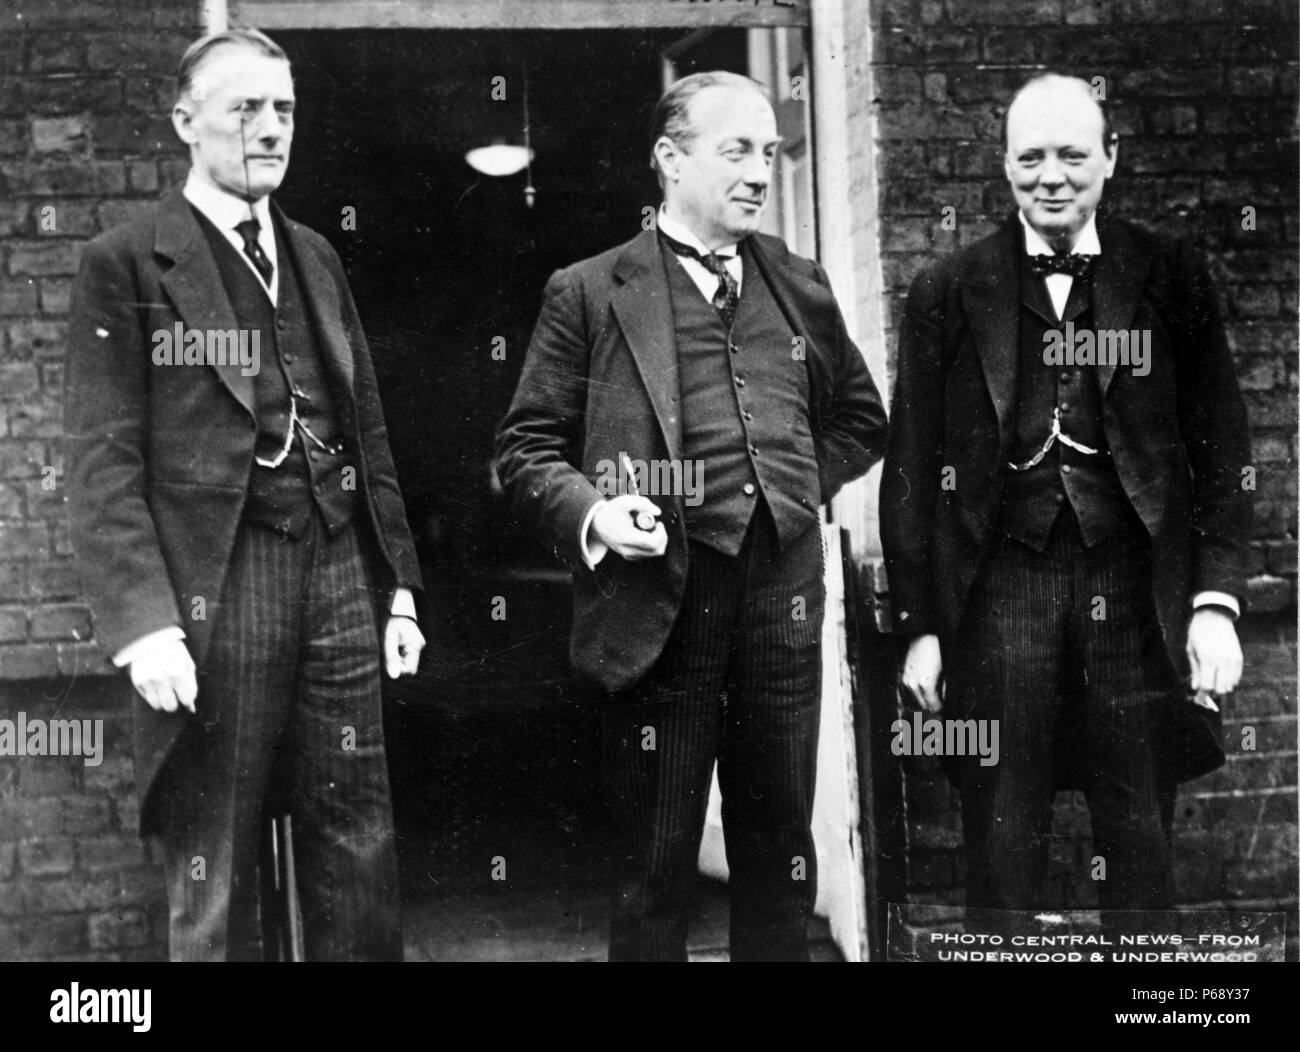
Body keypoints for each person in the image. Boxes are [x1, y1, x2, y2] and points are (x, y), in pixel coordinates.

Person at [495, 71, 887, 961]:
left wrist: (788, 489)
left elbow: (864, 419)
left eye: (769, 152)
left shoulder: (798, 283)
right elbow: (523, 451)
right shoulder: (592, 292)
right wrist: (596, 514)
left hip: (781, 603)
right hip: (658, 602)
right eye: (736, 150)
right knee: (654, 865)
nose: (759, 171)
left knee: (780, 852)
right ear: (670, 161)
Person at [65, 27, 425, 960]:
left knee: (358, 840)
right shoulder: (128, 263)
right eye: (246, 110)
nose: (271, 130)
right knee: (213, 859)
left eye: (285, 111)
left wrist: (400, 585)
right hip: (219, 587)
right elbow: (102, 461)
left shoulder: (314, 256)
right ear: (187, 122)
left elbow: (367, 429)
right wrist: (144, 623)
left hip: (340, 572)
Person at [880, 72, 1252, 920]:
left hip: (1132, 586)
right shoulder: (948, 289)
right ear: (1004, 166)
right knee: (1002, 836)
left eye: (1072, 156)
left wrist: (1217, 600)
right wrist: (922, 628)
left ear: (1110, 158)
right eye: (1031, 158)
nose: (1051, 176)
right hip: (1002, 587)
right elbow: (911, 470)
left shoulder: (1169, 274)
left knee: (1140, 834)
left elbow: (1223, 446)